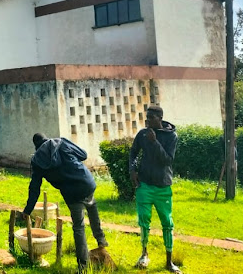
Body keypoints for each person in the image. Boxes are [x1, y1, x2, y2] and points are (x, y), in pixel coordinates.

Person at [22, 133, 108, 273]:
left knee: (79, 227)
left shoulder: (37, 161)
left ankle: (83, 266)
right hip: (86, 183)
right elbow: (84, 155)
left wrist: (28, 210)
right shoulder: (61, 143)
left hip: (71, 193)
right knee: (92, 207)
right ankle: (101, 240)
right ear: (46, 138)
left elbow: (34, 188)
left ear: (36, 146)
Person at [129, 106, 180, 273]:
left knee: (167, 223)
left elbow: (167, 160)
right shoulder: (143, 134)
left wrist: (155, 142)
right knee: (143, 221)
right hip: (144, 185)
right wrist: (132, 170)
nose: (147, 121)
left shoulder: (171, 136)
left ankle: (169, 261)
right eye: (146, 117)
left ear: (160, 118)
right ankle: (144, 255)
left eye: (151, 117)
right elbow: (133, 153)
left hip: (163, 187)